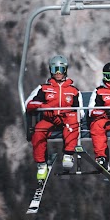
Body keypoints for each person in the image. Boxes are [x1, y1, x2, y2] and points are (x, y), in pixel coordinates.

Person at [25, 55, 84, 183]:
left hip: (66, 120)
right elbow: (29, 104)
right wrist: (45, 107)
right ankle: (41, 164)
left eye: (60, 69)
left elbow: (81, 112)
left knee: (73, 119)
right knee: (38, 131)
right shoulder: (44, 88)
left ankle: (68, 154)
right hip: (49, 119)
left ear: (65, 70)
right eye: (54, 69)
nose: (57, 73)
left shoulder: (73, 91)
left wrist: (63, 113)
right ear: (50, 70)